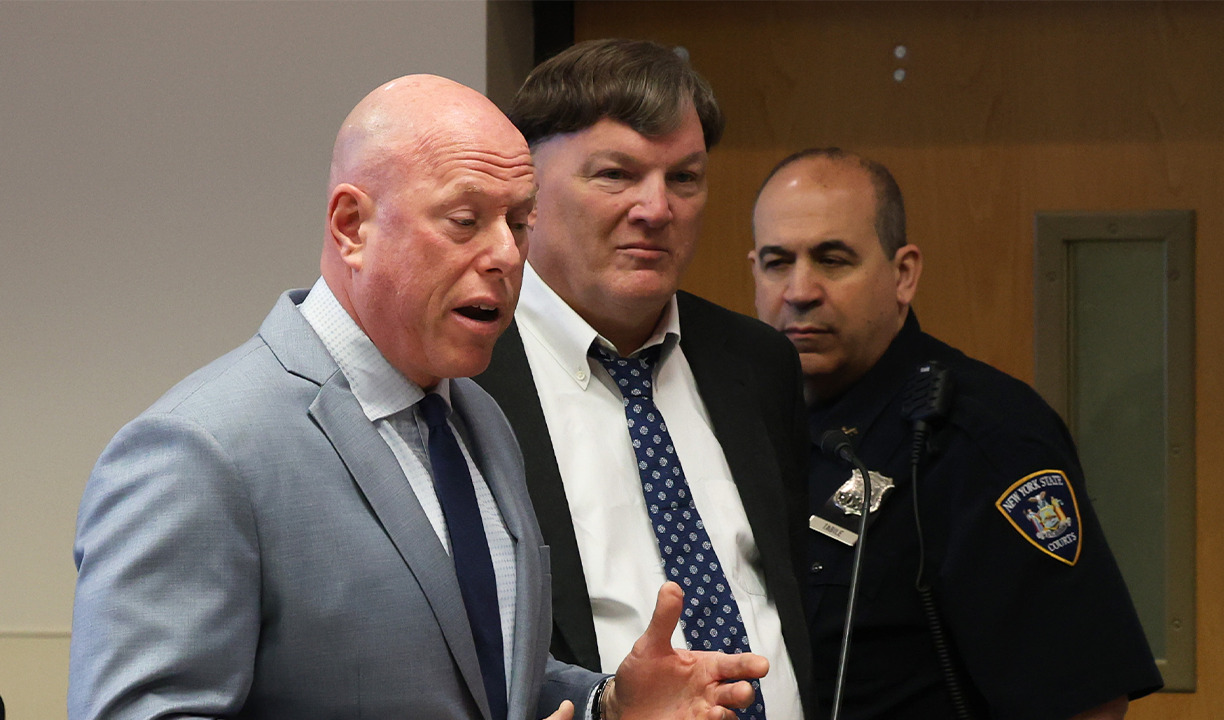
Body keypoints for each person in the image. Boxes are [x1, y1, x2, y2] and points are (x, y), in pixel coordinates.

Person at [69, 74, 769, 720]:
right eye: (465, 220)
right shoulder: (198, 451)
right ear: (352, 226)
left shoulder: (476, 418)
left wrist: (605, 705)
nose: (507, 255)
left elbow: (483, 675)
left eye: (518, 222)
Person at [748, 148, 1163, 720]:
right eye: (777, 263)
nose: (799, 290)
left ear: (903, 274)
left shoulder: (983, 435)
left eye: (833, 260)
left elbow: (1084, 703)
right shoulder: (744, 424)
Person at [474, 39, 810, 719]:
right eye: (616, 175)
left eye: (684, 178)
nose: (657, 209)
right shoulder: (465, 373)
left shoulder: (757, 363)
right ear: (527, 191)